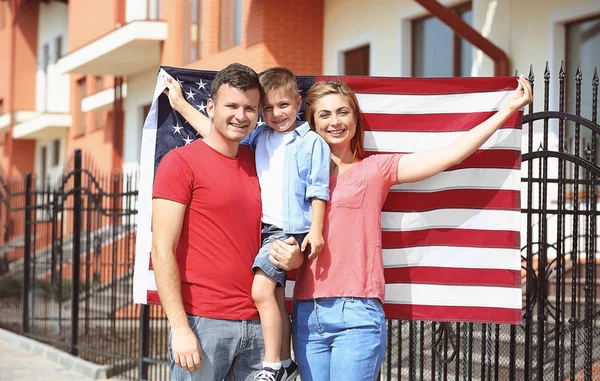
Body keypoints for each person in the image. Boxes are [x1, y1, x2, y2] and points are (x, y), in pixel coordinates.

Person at [267, 75, 533, 381]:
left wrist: (506, 110)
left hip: (357, 313)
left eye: (343, 112)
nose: (335, 122)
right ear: (312, 123)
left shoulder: (376, 169)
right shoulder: (293, 175)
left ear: (355, 118)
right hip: (305, 312)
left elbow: (451, 154)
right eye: (324, 115)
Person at [164, 67, 330, 381]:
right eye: (265, 108)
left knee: (268, 291)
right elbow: (162, 251)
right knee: (271, 292)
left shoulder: (280, 150)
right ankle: (280, 361)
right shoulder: (196, 158)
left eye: (250, 109)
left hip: (259, 315)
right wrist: (182, 105)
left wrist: (304, 246)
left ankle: (278, 363)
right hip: (205, 322)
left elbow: (312, 196)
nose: (242, 116)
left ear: (298, 102)